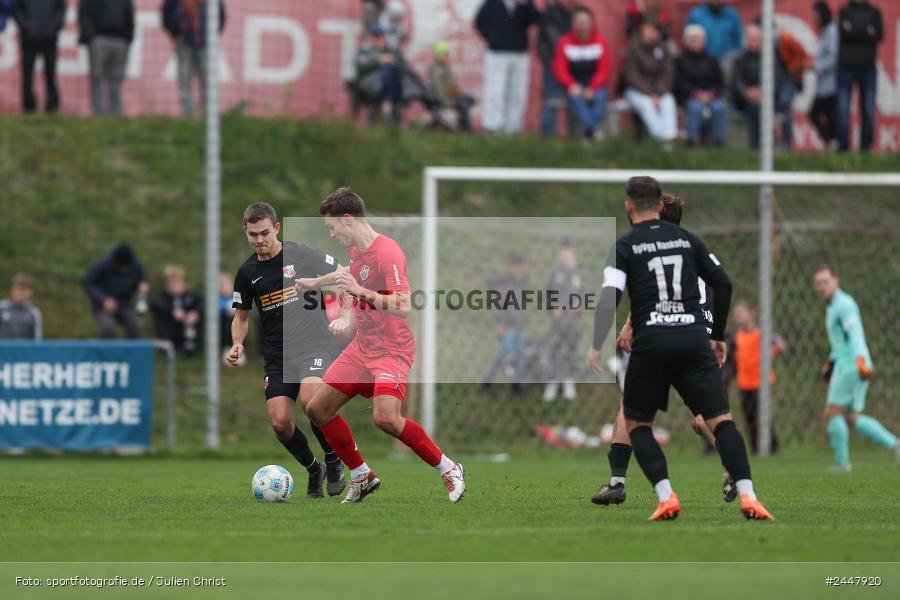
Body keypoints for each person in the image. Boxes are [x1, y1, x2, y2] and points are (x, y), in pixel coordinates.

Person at [587, 176, 773, 521]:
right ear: (659, 206)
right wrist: (718, 333)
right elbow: (722, 282)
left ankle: (654, 491)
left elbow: (631, 293)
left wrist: (602, 340)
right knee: (717, 420)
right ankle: (747, 490)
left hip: (656, 337)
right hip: (694, 337)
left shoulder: (629, 245)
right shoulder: (689, 243)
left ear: (630, 207)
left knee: (636, 417)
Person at [301, 187, 466, 504]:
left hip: (392, 350)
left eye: (332, 227)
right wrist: (317, 283)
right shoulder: (357, 249)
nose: (332, 234)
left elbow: (403, 304)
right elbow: (350, 274)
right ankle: (361, 475)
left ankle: (449, 468)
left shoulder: (387, 252)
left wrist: (361, 292)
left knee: (386, 418)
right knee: (317, 408)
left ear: (347, 220)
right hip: (362, 348)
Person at [226, 202, 347, 499]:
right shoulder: (247, 273)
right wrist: (237, 342)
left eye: (265, 232)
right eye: (253, 234)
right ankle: (314, 468)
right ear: (245, 232)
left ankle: (334, 459)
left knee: (311, 400)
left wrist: (344, 314)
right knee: (280, 422)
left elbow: (342, 275)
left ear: (276, 228)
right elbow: (240, 316)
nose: (259, 240)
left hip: (314, 345)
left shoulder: (301, 255)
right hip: (278, 355)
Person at [813, 265, 899, 471]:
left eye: (826, 281)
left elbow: (855, 334)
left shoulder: (843, 305)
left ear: (836, 281)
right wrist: (832, 362)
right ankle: (896, 444)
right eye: (818, 283)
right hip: (849, 363)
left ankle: (842, 463)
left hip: (852, 364)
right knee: (853, 416)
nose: (822, 286)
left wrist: (860, 360)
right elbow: (842, 340)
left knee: (832, 414)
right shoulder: (833, 305)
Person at [474, 0, 540, 135]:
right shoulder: (492, 2)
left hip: (519, 53)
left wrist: (526, 4)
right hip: (496, 53)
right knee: (494, 90)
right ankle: (492, 127)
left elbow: (536, 19)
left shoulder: (526, 3)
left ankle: (512, 129)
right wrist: (492, 37)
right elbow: (479, 22)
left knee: (517, 92)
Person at [732, 301, 784, 455]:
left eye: (741, 313)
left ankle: (772, 447)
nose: (738, 317)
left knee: (761, 416)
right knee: (749, 417)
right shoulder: (737, 336)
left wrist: (770, 353)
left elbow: (780, 344)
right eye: (736, 314)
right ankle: (756, 449)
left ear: (751, 314)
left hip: (761, 383)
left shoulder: (761, 332)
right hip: (744, 383)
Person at [551, 6, 611, 141]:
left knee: (600, 96)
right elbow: (560, 69)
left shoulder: (600, 42)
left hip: (594, 84)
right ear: (573, 24)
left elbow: (604, 70)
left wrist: (592, 88)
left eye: (584, 22)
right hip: (573, 84)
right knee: (577, 99)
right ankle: (593, 130)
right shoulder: (564, 42)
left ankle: (588, 132)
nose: (581, 26)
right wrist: (572, 85)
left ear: (591, 23)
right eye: (578, 22)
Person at [162, 0, 226, 118]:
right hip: (184, 42)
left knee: (208, 82)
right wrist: (176, 32)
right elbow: (166, 14)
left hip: (205, 43)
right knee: (185, 81)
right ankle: (187, 116)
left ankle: (207, 116)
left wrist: (212, 33)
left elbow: (221, 16)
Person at [733, 24, 792, 149]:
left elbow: (777, 79)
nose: (753, 42)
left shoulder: (771, 57)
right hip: (746, 100)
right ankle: (755, 147)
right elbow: (737, 81)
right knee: (755, 107)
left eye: (756, 39)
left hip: (768, 97)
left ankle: (775, 146)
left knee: (775, 107)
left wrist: (763, 92)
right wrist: (747, 92)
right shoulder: (740, 58)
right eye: (750, 39)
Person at [542, 239, 587, 402]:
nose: (565, 255)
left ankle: (569, 381)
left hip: (573, 323)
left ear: (573, 251)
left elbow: (585, 295)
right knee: (554, 350)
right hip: (557, 323)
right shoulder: (554, 273)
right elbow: (545, 294)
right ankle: (552, 382)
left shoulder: (580, 273)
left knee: (571, 351)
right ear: (559, 253)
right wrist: (553, 305)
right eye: (562, 251)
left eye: (568, 251)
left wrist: (580, 304)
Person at [836, 0, 883, 152]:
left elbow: (879, 35)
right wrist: (866, 32)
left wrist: (854, 31)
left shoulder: (874, 12)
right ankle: (843, 149)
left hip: (867, 68)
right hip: (845, 68)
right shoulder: (844, 11)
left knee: (868, 110)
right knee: (843, 110)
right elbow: (842, 32)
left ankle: (865, 150)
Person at [481, 252, 529, 395]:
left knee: (521, 355)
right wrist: (501, 322)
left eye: (518, 267)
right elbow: (498, 305)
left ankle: (518, 385)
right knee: (504, 354)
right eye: (514, 266)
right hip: (508, 326)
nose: (517, 270)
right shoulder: (502, 283)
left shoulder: (519, 283)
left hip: (519, 326)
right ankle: (487, 382)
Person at [622, 19, 677, 144]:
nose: (651, 33)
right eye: (648, 29)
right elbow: (631, 76)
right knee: (646, 104)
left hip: (659, 91)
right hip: (637, 91)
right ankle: (661, 137)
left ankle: (670, 136)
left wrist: (658, 92)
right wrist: (649, 93)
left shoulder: (663, 48)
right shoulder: (633, 47)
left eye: (654, 30)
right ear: (641, 30)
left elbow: (668, 73)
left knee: (668, 101)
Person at [78, 0, 134, 116]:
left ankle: (115, 113)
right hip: (98, 39)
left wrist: (127, 38)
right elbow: (83, 14)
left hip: (120, 40)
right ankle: (98, 112)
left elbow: (130, 15)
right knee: (97, 77)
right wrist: (92, 37)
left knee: (116, 79)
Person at [82, 244, 150, 339]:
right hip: (103, 306)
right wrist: (103, 299)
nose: (125, 270)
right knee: (108, 329)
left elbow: (143, 277)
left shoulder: (136, 265)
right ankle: (107, 352)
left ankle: (129, 352)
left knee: (136, 327)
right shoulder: (102, 266)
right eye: (122, 267)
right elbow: (88, 283)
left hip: (124, 304)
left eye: (127, 267)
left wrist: (144, 283)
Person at [12, 0, 66, 114]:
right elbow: (16, 9)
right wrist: (26, 26)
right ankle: (29, 106)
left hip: (49, 38)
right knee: (27, 74)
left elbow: (61, 9)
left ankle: (52, 106)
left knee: (50, 73)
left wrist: (54, 27)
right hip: (28, 38)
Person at [675, 25, 726, 147]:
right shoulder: (680, 60)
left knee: (719, 107)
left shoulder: (712, 60)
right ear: (687, 42)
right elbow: (679, 83)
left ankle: (718, 141)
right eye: (693, 40)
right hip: (689, 96)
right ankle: (691, 141)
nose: (697, 43)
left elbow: (719, 82)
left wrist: (711, 94)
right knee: (695, 108)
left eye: (699, 40)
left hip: (711, 96)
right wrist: (696, 94)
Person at [537, 0, 575, 136]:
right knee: (550, 100)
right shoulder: (548, 14)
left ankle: (572, 135)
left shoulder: (575, 15)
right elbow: (541, 42)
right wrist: (549, 61)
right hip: (552, 66)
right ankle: (547, 137)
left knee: (573, 100)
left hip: (571, 67)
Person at [354, 25, 406, 125]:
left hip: (388, 88)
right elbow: (360, 67)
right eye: (375, 37)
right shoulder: (365, 50)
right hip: (370, 86)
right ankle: (387, 109)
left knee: (391, 72)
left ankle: (386, 106)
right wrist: (378, 61)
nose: (377, 39)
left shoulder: (392, 50)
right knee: (389, 74)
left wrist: (391, 61)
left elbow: (403, 66)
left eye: (379, 36)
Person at [150, 265, 202, 356]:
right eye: (171, 283)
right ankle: (167, 346)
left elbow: (201, 303)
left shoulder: (190, 295)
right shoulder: (162, 297)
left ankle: (190, 345)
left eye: (177, 283)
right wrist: (171, 311)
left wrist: (195, 313)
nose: (174, 286)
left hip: (185, 328)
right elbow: (155, 304)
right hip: (170, 330)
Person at [809, 1, 839, 148]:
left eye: (815, 16)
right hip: (824, 84)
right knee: (828, 115)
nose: (813, 19)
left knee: (815, 112)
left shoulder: (832, 31)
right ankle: (831, 143)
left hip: (832, 83)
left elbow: (834, 58)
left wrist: (816, 66)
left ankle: (831, 142)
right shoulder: (825, 31)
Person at [428, 41, 474, 132]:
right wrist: (448, 102)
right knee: (464, 104)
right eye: (444, 54)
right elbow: (440, 90)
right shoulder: (437, 70)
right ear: (438, 55)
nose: (446, 57)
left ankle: (464, 128)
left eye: (447, 54)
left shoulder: (445, 67)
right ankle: (466, 130)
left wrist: (458, 94)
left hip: (450, 95)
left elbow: (451, 86)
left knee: (468, 99)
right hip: (444, 98)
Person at [0, 275, 42, 341]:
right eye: (17, 289)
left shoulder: (34, 312)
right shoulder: (2, 308)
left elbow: (37, 340)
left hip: (24, 351)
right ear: (12, 290)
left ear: (29, 292)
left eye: (23, 290)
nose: (19, 293)